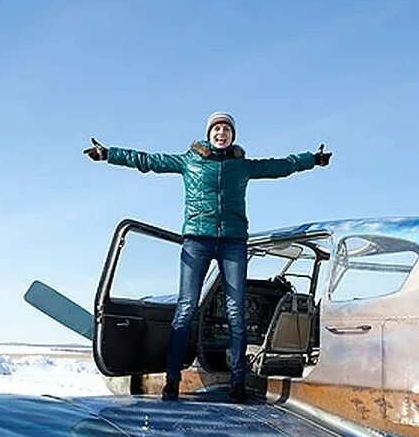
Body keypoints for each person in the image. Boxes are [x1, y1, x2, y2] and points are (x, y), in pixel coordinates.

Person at [85, 111, 331, 402]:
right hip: (197, 241)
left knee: (236, 312)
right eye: (217, 129)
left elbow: (281, 166)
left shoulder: (242, 167)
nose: (221, 133)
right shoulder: (189, 161)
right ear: (209, 134)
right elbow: (148, 161)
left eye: (226, 129)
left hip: (233, 243)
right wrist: (109, 154)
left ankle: (237, 384)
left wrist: (312, 159)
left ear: (232, 136)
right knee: (186, 308)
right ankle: (172, 382)